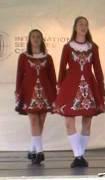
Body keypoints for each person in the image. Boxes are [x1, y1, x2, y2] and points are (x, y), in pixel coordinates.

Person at [54, 16, 105, 168]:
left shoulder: (93, 47)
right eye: (80, 24)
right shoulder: (68, 47)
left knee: (87, 121)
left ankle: (80, 156)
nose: (83, 27)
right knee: (69, 120)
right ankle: (78, 155)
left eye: (86, 24)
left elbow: (98, 70)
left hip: (89, 86)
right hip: (69, 85)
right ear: (75, 27)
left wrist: (101, 90)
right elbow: (62, 69)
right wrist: (59, 88)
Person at [15, 29, 57, 164]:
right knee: (33, 120)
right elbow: (19, 76)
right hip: (28, 93)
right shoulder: (23, 57)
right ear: (29, 39)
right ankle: (40, 151)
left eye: (38, 37)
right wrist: (17, 92)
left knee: (40, 121)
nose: (36, 39)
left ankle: (32, 150)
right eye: (33, 36)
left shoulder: (48, 58)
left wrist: (55, 96)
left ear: (42, 39)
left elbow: (52, 78)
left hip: (45, 93)